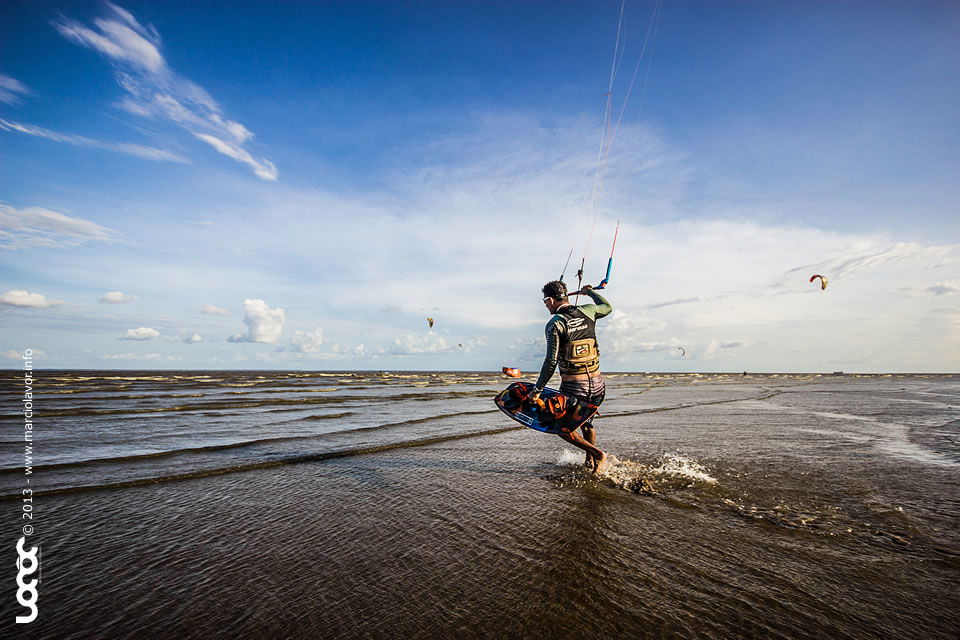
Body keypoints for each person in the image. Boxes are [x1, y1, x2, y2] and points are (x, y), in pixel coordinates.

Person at [529, 280, 612, 473]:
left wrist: (537, 390)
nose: (546, 306)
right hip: (598, 387)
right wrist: (590, 292)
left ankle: (597, 454)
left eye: (545, 302)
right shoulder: (589, 311)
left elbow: (551, 362)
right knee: (586, 423)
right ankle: (589, 462)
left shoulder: (555, 324)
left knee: (560, 427)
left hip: (575, 390)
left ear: (550, 299)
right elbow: (607, 307)